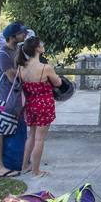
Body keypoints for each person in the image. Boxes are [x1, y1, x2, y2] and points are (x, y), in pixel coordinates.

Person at [16, 37, 60, 177]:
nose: (43, 45)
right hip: (44, 104)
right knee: (40, 139)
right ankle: (36, 170)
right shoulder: (45, 68)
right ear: (37, 48)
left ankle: (24, 166)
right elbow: (58, 83)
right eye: (41, 44)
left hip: (30, 104)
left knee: (31, 136)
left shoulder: (21, 67)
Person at [0, 22, 28, 178]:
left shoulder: (17, 51)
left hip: (17, 99)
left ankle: (17, 162)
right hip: (7, 99)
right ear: (12, 37)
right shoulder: (2, 54)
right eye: (21, 33)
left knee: (17, 130)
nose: (24, 35)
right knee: (1, 131)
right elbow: (13, 77)